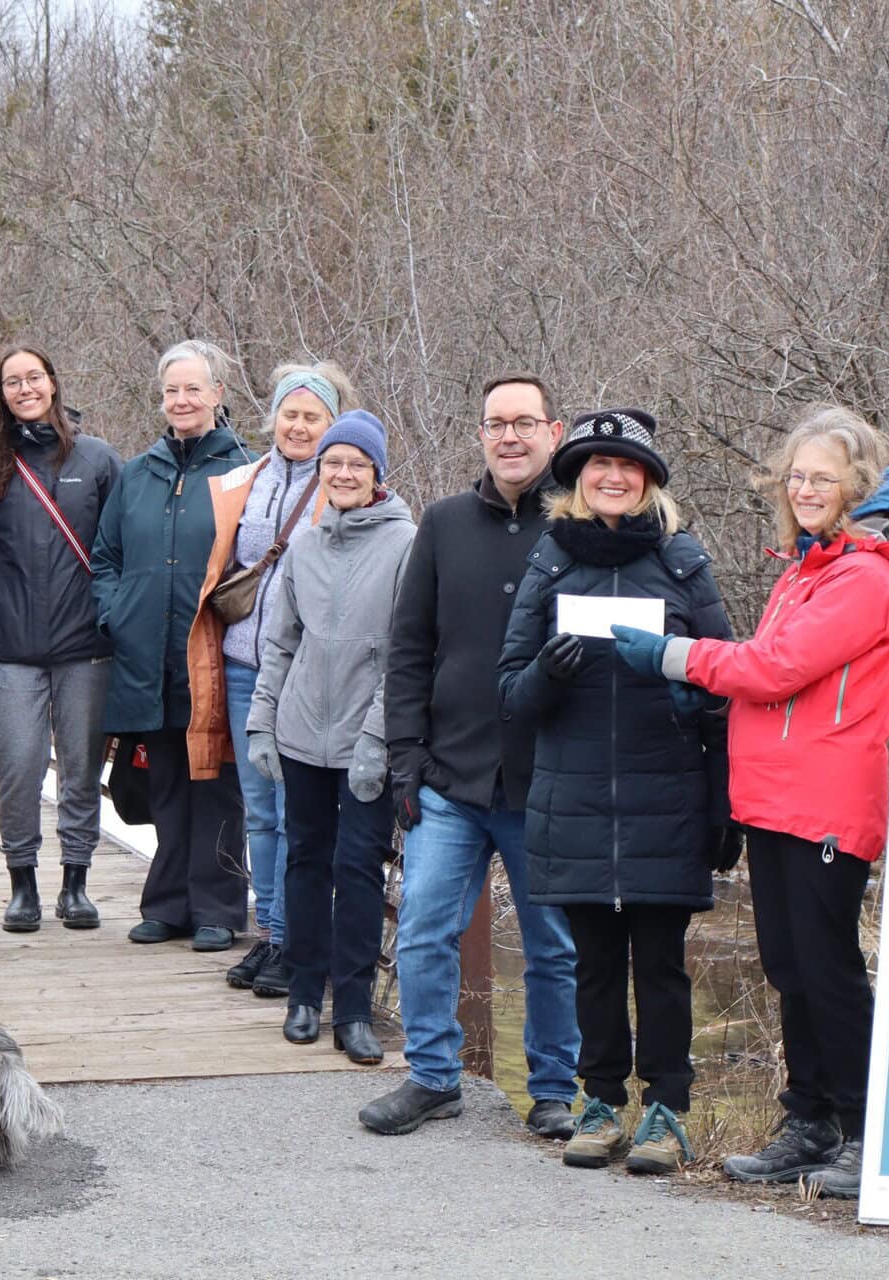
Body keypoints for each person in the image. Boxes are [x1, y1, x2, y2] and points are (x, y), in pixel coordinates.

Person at [616, 404, 889, 1198]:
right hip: (777, 799)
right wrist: (712, 699)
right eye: (798, 476)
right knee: (791, 966)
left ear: (858, 485)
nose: (807, 488)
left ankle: (863, 1130)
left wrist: (673, 659)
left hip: (827, 801)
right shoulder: (806, 570)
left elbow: (775, 667)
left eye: (824, 477)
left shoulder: (863, 577)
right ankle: (810, 1121)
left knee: (827, 968)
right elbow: (771, 683)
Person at [498, 408, 733, 1175]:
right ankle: (599, 1103)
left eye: (628, 467)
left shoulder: (682, 560)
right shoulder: (550, 561)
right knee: (593, 963)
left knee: (661, 966)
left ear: (649, 480)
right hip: (572, 798)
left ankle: (666, 1113)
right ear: (575, 480)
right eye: (598, 465)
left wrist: (686, 699)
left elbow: (726, 680)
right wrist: (549, 673)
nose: (612, 476)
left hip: (667, 793)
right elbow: (510, 691)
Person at [358, 374, 581, 1141]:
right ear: (481, 434)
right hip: (449, 776)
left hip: (547, 782)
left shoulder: (583, 525)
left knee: (553, 945)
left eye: (524, 422)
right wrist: (404, 758)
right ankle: (432, 1075)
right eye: (495, 424)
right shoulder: (445, 523)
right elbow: (410, 647)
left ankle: (553, 1088)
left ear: (555, 430)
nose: (509, 437)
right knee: (422, 925)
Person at [245, 411, 414, 1063]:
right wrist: (263, 721)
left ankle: (353, 1008)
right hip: (299, 734)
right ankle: (303, 994)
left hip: (364, 737)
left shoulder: (405, 544)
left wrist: (377, 739)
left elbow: (403, 653)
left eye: (356, 464)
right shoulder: (307, 548)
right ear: (319, 472)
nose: (343, 474)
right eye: (332, 463)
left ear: (376, 475)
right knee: (304, 862)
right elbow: (279, 642)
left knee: (359, 867)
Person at [187, 361, 350, 998]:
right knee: (259, 809)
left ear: (331, 423)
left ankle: (299, 940)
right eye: (291, 414)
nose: (300, 426)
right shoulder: (244, 482)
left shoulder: (342, 483)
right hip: (239, 662)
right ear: (273, 418)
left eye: (313, 416)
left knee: (296, 811)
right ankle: (274, 932)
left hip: (306, 675)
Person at [92, 339, 253, 951]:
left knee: (215, 783)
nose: (181, 400)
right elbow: (105, 557)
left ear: (218, 393)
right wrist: (117, 614)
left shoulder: (243, 470)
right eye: (171, 391)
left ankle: (217, 907)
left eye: (193, 388)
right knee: (163, 780)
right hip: (145, 657)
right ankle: (167, 903)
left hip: (212, 653)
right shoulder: (140, 473)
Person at [0, 345, 122, 932]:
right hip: (12, 649)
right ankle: (22, 882)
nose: (24, 388)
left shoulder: (99, 460)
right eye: (12, 381)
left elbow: (118, 550)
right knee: (18, 766)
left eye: (34, 377)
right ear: (0, 394)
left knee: (81, 767)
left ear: (53, 384)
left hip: (86, 645)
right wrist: (5, 601)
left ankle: (75, 882)